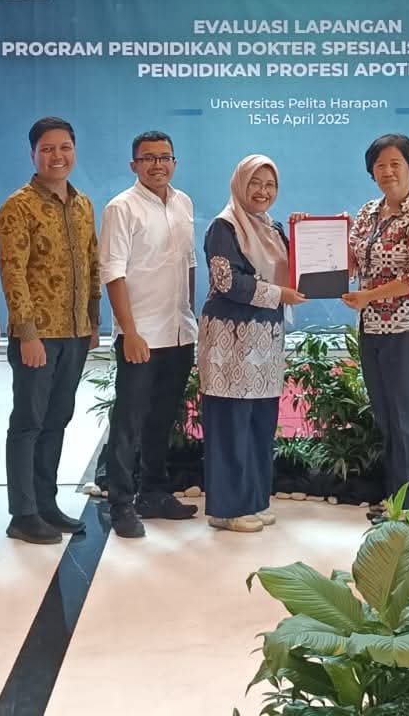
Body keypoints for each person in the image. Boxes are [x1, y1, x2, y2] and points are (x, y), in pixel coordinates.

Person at [0, 116, 102, 546]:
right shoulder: (18, 207)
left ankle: (46, 504)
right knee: (29, 423)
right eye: (47, 149)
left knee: (57, 420)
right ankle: (23, 513)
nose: (57, 156)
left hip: (75, 332)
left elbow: (92, 265)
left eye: (65, 148)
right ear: (33, 155)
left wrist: (92, 321)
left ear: (74, 150)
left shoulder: (82, 204)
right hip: (37, 336)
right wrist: (27, 334)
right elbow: (13, 274)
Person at [99, 130, 199, 539]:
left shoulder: (183, 202)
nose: (158, 164)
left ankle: (154, 493)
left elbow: (189, 263)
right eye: (148, 158)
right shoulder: (121, 208)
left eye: (164, 157)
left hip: (178, 332)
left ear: (174, 162)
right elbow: (113, 272)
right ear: (134, 165)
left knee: (163, 419)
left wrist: (189, 316)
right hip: (141, 335)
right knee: (129, 422)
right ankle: (121, 503)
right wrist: (130, 332)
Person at [199, 155, 304, 533]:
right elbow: (228, 282)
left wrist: (305, 233)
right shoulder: (224, 226)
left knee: (259, 423)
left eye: (269, 185)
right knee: (230, 424)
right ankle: (227, 509)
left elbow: (298, 268)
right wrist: (278, 294)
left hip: (266, 342)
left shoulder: (271, 228)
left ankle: (253, 501)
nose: (262, 191)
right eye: (255, 183)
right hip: (230, 343)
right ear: (240, 184)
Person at [345, 134, 409, 523]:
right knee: (388, 419)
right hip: (372, 330)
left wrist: (369, 296)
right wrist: (310, 233)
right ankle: (395, 501)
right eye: (380, 165)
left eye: (395, 164)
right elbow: (351, 260)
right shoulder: (369, 212)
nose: (387, 171)